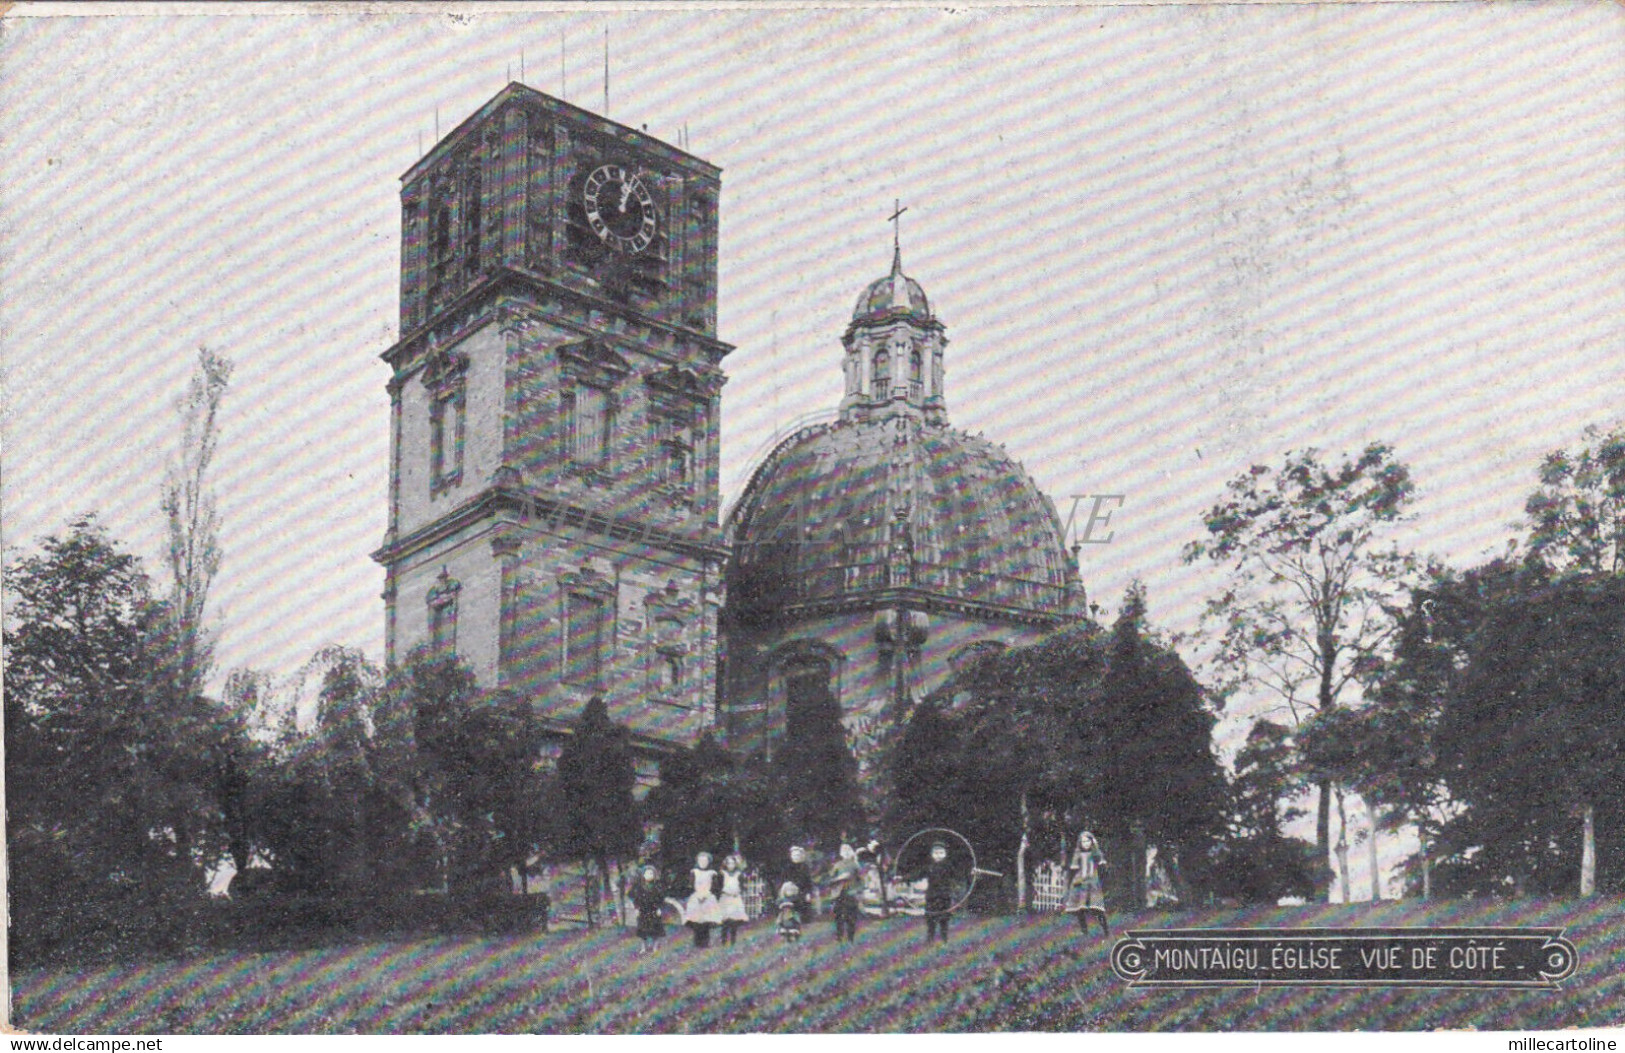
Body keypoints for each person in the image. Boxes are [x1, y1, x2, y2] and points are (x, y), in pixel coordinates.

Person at [902, 840, 956, 943]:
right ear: (931, 854)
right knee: (931, 919)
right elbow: (917, 875)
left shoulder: (949, 866)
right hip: (932, 895)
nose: (938, 855)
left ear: (945, 854)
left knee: (944, 919)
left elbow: (959, 874)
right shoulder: (929, 867)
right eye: (936, 853)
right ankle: (930, 939)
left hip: (945, 895)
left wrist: (972, 872)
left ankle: (944, 939)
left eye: (941, 853)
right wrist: (903, 878)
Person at [1064, 831, 1110, 936]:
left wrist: (1101, 880)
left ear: (1092, 842)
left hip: (1093, 883)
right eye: (1083, 842)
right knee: (1080, 908)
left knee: (1097, 908)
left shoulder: (1096, 854)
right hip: (1080, 884)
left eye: (1087, 841)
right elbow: (1073, 870)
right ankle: (1084, 931)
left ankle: (1106, 931)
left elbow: (1102, 867)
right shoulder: (1078, 854)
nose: (1085, 844)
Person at [684, 851, 723, 947]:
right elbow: (691, 885)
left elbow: (715, 887)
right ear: (697, 862)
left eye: (705, 861)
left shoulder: (712, 873)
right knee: (697, 920)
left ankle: (705, 941)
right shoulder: (694, 872)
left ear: (708, 862)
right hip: (696, 897)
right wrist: (696, 895)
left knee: (706, 920)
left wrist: (707, 895)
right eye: (701, 861)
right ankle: (697, 941)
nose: (703, 863)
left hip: (708, 897)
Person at [827, 843, 861, 944]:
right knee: (839, 916)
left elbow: (859, 879)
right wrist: (839, 879)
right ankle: (840, 936)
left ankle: (849, 938)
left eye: (847, 851)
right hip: (840, 894)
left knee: (850, 917)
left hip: (850, 893)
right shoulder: (838, 865)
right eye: (844, 851)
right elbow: (830, 880)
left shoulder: (855, 865)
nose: (846, 853)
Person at [630, 864, 666, 954]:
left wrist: (659, 908)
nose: (649, 875)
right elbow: (635, 899)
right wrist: (637, 908)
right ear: (643, 875)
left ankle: (655, 947)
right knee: (643, 930)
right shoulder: (639, 887)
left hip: (654, 911)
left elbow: (661, 899)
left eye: (651, 873)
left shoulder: (657, 887)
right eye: (647, 873)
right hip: (643, 911)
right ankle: (643, 947)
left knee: (656, 930)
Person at [717, 853, 751, 946]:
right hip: (726, 898)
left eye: (733, 863)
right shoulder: (722, 874)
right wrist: (723, 892)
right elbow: (719, 886)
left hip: (735, 899)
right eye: (729, 863)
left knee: (734, 921)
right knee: (725, 920)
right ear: (726, 864)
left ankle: (733, 940)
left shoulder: (738, 874)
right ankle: (724, 940)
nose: (731, 866)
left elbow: (742, 886)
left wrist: (739, 891)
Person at [784, 845, 815, 924]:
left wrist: (808, 892)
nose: (796, 857)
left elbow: (808, 881)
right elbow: (786, 879)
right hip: (791, 890)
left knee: (805, 904)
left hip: (803, 890)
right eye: (794, 855)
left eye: (798, 855)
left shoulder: (805, 867)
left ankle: (805, 920)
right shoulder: (788, 867)